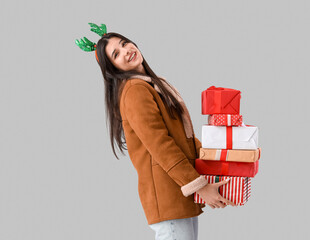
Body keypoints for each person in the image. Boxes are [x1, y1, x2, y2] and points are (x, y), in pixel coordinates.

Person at [76, 24, 235, 240]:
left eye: (124, 43)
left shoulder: (151, 86)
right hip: (168, 194)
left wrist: (217, 163)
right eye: (116, 54)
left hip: (178, 193)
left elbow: (184, 139)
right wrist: (200, 186)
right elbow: (161, 146)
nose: (126, 51)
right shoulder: (135, 90)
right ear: (112, 68)